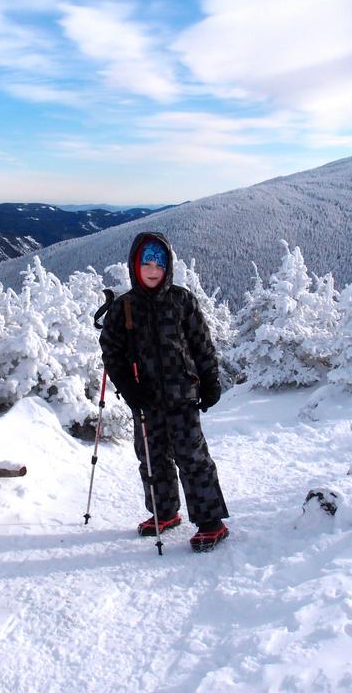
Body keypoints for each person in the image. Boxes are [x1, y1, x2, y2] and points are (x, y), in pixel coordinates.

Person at [99, 232, 230, 552]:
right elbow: (110, 351)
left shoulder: (182, 301)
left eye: (159, 262)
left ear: (169, 265)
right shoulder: (124, 307)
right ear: (134, 266)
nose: (153, 268)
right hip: (145, 400)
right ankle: (165, 513)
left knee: (193, 457)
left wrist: (210, 381)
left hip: (183, 396)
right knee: (152, 458)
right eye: (146, 262)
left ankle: (211, 521)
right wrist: (129, 389)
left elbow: (202, 345)